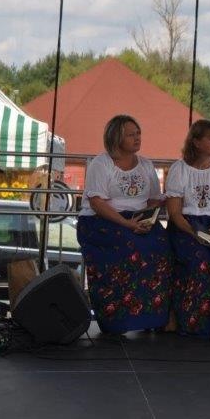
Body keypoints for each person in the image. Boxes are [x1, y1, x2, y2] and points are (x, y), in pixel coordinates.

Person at [76, 115, 172, 334]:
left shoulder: (146, 164)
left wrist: (148, 218)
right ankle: (119, 320)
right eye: (131, 135)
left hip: (138, 219)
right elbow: (97, 202)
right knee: (129, 247)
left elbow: (154, 199)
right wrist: (127, 224)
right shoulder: (101, 164)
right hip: (104, 220)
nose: (137, 138)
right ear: (116, 137)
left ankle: (153, 317)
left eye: (138, 133)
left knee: (161, 245)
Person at [164, 120, 210, 342]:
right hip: (186, 225)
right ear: (196, 142)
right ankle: (194, 321)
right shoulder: (179, 169)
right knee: (199, 259)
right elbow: (174, 213)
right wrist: (193, 232)